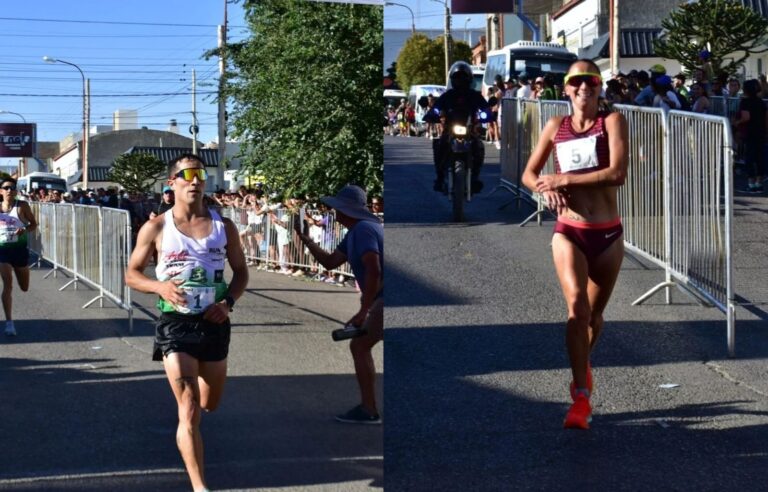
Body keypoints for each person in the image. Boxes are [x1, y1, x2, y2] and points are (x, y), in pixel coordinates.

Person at [125, 154, 248, 492]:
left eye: (201, 174)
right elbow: (132, 274)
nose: (195, 180)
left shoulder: (224, 227)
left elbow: (241, 272)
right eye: (187, 174)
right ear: (172, 182)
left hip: (214, 323)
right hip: (175, 324)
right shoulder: (156, 227)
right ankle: (200, 487)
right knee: (189, 405)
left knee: (210, 403)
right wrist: (160, 286)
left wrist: (228, 303)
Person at [522, 59, 628, 430]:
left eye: (592, 81)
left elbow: (618, 173)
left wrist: (564, 177)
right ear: (566, 89)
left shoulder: (611, 122)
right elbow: (528, 173)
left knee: (595, 318)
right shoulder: (556, 126)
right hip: (570, 231)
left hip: (609, 234)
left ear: (600, 87)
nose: (585, 87)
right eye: (577, 81)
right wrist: (544, 189)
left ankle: (581, 368)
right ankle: (581, 397)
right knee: (577, 310)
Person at [292, 185, 383, 424]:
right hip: (380, 298)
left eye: (337, 208)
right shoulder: (358, 230)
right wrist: (307, 241)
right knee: (361, 346)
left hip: (384, 298)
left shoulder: (363, 230)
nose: (334, 212)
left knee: (360, 346)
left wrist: (364, 309)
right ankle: (369, 407)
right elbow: (331, 262)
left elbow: (373, 268)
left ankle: (369, 409)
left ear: (347, 209)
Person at [431, 61, 492, 193]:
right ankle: (440, 178)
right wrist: (434, 114)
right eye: (457, 78)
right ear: (453, 79)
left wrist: (486, 114)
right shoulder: (448, 95)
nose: (460, 81)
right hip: (450, 129)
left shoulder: (474, 95)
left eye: (463, 78)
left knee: (478, 146)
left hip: (469, 129)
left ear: (468, 79)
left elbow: (485, 108)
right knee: (439, 144)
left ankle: (475, 177)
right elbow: (436, 108)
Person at [0, 178, 37, 337]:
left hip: (19, 251)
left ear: (16, 191)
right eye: (6, 188)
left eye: (12, 188)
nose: (9, 190)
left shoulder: (22, 206)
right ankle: (9, 323)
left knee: (24, 287)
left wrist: (25, 230)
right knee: (7, 284)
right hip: (2, 251)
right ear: (1, 191)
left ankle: (9, 322)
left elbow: (34, 224)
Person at [732, 79, 767, 193]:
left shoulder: (745, 102)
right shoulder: (761, 102)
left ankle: (751, 183)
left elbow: (746, 117)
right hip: (761, 132)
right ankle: (759, 183)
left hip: (750, 132)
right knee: (760, 158)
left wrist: (737, 122)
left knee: (750, 158)